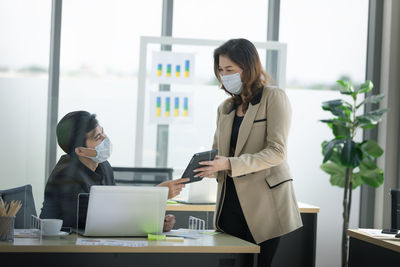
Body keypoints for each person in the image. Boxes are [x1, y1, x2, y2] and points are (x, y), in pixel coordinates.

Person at [194, 39, 302, 267]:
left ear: (248, 68)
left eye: (229, 70)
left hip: (266, 205)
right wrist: (208, 166)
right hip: (230, 203)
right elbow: (219, 153)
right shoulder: (225, 108)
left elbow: (277, 151)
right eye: (221, 70)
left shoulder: (273, 97)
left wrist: (229, 164)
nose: (224, 75)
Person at [40, 111, 189, 231]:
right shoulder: (66, 176)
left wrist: (153, 223)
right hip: (64, 250)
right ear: (80, 151)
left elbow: (116, 207)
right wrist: (157, 195)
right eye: (98, 137)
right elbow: (97, 220)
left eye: (103, 132)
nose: (105, 139)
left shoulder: (103, 165)